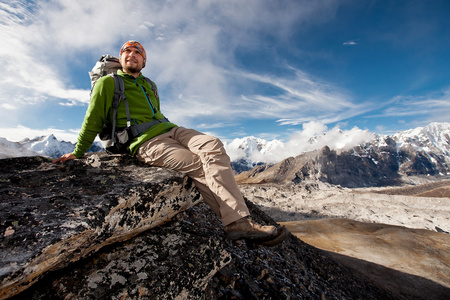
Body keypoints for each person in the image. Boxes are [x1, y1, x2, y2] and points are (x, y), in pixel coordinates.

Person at [53, 41, 287, 245]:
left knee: (213, 145)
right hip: (144, 142)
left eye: (137, 52)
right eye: (126, 51)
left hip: (171, 128)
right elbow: (92, 120)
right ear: (121, 57)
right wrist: (78, 151)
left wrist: (176, 133)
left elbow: (156, 114)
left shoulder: (150, 85)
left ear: (144, 62)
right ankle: (238, 223)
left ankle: (238, 221)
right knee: (197, 165)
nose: (131, 54)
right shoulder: (108, 84)